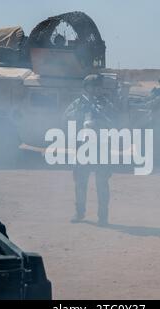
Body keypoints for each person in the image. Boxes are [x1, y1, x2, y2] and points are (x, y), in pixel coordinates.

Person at [64, 74, 116, 226]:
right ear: (86, 88)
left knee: (102, 183)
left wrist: (98, 122)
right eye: (93, 87)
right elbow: (65, 118)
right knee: (80, 182)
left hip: (101, 147)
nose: (96, 90)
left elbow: (115, 122)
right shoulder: (78, 103)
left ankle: (103, 217)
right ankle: (79, 213)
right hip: (83, 147)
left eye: (98, 87)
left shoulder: (106, 104)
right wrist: (80, 115)